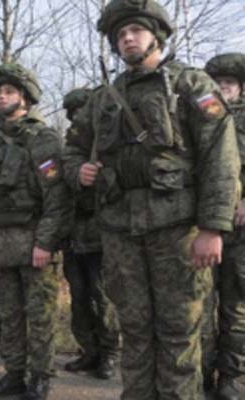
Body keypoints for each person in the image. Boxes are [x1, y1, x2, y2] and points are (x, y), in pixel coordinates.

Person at [63, 1, 240, 398]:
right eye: (120, 34)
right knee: (135, 330)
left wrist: (212, 227)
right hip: (121, 234)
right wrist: (79, 170)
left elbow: (219, 158)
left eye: (135, 31)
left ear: (155, 35)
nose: (127, 38)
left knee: (179, 332)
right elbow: (72, 147)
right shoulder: (103, 99)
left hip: (177, 232)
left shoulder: (191, 86)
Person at [0, 63, 70, 400]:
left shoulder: (43, 138)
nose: (1, 98)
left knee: (39, 317)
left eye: (8, 92)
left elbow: (57, 196)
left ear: (24, 97)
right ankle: (13, 373)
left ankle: (40, 379)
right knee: (8, 316)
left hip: (33, 242)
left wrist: (46, 242)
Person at [61, 88, 121, 380]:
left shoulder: (108, 144)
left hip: (100, 233)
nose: (75, 120)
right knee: (79, 297)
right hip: (74, 234)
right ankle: (88, 350)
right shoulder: (70, 149)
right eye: (72, 116)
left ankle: (109, 353)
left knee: (103, 298)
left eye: (79, 114)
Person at [204, 52, 245, 399]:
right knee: (198, 308)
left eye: (228, 84)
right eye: (217, 84)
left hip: (240, 234)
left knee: (236, 310)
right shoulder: (200, 119)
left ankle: (229, 378)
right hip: (201, 230)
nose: (222, 90)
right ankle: (199, 371)